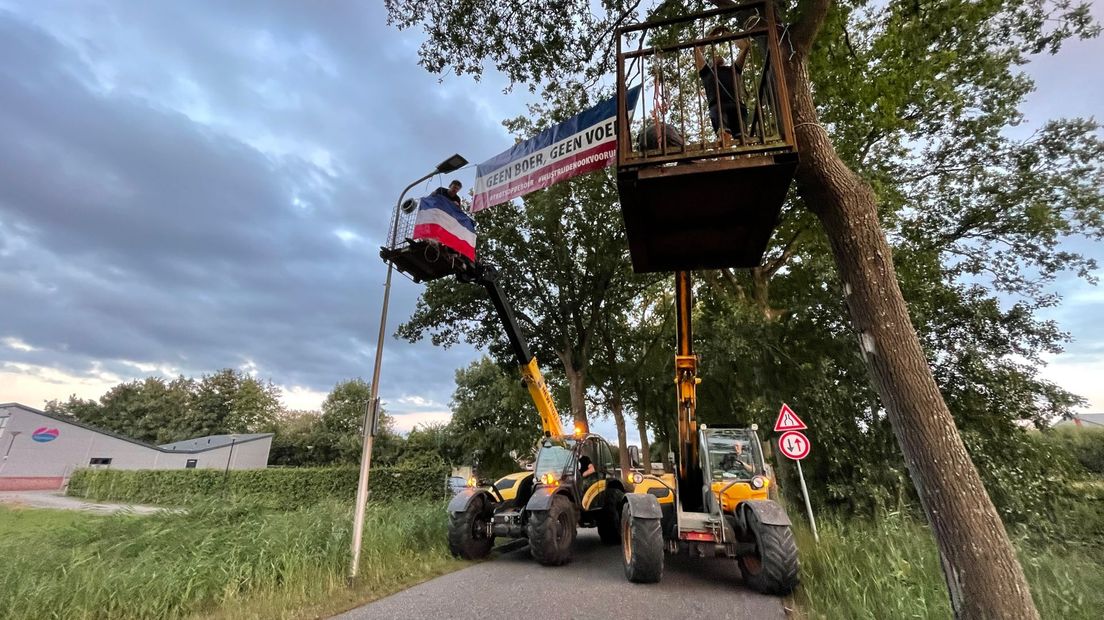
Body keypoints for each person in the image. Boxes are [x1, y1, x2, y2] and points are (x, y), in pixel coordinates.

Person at [694, 25, 750, 147]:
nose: (717, 55)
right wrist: (711, 36)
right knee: (724, 136)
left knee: (743, 140)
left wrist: (730, 35)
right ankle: (727, 159)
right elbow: (697, 51)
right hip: (718, 107)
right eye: (713, 56)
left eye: (719, 56)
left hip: (738, 106)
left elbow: (745, 48)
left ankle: (744, 159)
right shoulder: (706, 72)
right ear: (709, 63)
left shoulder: (734, 69)